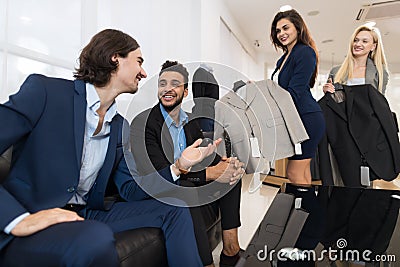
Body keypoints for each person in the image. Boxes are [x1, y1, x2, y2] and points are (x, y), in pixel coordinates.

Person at [0, 29, 220, 267]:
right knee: (95, 238)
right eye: (139, 62)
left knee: (176, 207)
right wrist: (17, 219)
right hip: (33, 211)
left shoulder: (119, 126)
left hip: (86, 212)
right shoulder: (45, 92)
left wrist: (178, 167)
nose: (144, 73)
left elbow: (130, 189)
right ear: (115, 58)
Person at [130, 60, 245, 267]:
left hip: (189, 182)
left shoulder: (191, 121)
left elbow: (205, 157)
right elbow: (161, 174)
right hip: (162, 189)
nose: (167, 89)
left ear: (185, 92)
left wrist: (226, 164)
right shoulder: (144, 122)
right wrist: (209, 174)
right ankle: (206, 263)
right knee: (187, 187)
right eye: (162, 83)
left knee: (230, 176)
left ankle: (230, 250)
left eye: (175, 83)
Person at [270, 9, 325, 185]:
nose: (281, 34)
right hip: (296, 119)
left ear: (298, 27)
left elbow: (294, 92)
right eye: (278, 31)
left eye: (286, 28)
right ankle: (309, 212)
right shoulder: (284, 58)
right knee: (303, 172)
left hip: (306, 118)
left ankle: (312, 211)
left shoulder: (305, 52)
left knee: (294, 173)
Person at [322, 25, 389, 95]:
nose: (358, 44)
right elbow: (333, 101)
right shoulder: (335, 71)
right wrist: (327, 92)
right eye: (355, 40)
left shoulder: (379, 72)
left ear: (373, 47)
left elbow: (380, 102)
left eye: (364, 41)